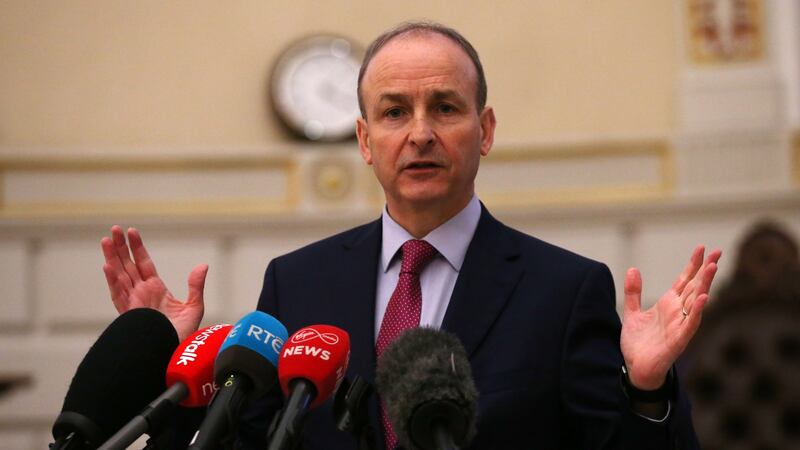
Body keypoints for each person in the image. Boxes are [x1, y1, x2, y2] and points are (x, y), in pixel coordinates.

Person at [101, 22, 721, 449]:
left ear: (485, 131)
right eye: (395, 111)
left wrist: (645, 390)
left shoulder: (564, 289)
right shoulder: (297, 282)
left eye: (445, 108)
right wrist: (172, 373)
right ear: (366, 142)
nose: (420, 132)